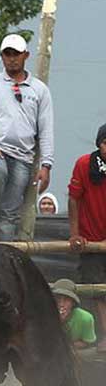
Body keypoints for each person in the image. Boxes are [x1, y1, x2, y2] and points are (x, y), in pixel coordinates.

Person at [0, 33, 54, 243]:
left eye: (16, 54)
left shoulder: (39, 90)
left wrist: (47, 165)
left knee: (10, 214)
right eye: (7, 54)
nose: (12, 58)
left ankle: (5, 257)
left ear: (25, 55)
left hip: (23, 157)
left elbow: (46, 129)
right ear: (2, 56)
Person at [68, 123, 106, 351]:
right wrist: (75, 233)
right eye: (105, 142)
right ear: (99, 144)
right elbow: (73, 199)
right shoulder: (84, 164)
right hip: (91, 239)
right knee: (99, 291)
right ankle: (104, 336)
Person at [52, 279, 97, 350]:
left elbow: (87, 342)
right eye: (58, 299)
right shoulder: (44, 317)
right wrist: (59, 322)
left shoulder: (86, 318)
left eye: (66, 300)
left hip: (74, 351)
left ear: (73, 302)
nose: (61, 304)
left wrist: (67, 347)